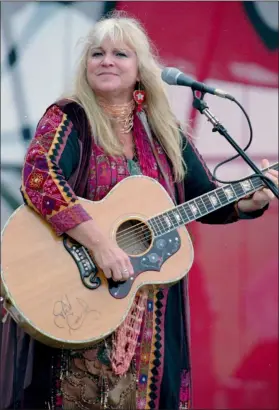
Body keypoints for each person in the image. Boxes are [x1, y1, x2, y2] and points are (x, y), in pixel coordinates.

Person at [1, 11, 278, 410]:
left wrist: (247, 201)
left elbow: (204, 199)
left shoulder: (164, 131)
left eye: (120, 54)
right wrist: (100, 244)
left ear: (140, 69)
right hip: (81, 306)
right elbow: (40, 177)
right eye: (97, 54)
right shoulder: (69, 118)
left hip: (150, 324)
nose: (107, 61)